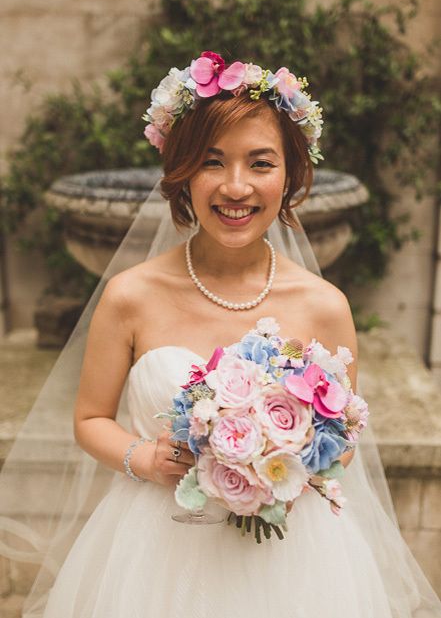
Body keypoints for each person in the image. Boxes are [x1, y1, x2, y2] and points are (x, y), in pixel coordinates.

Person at [1, 51, 441, 617]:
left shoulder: (325, 307)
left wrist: (273, 456)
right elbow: (89, 420)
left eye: (260, 163)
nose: (236, 187)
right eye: (212, 162)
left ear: (291, 175)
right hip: (156, 553)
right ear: (183, 174)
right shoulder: (130, 296)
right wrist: (146, 457)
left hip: (291, 558)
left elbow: (344, 447)